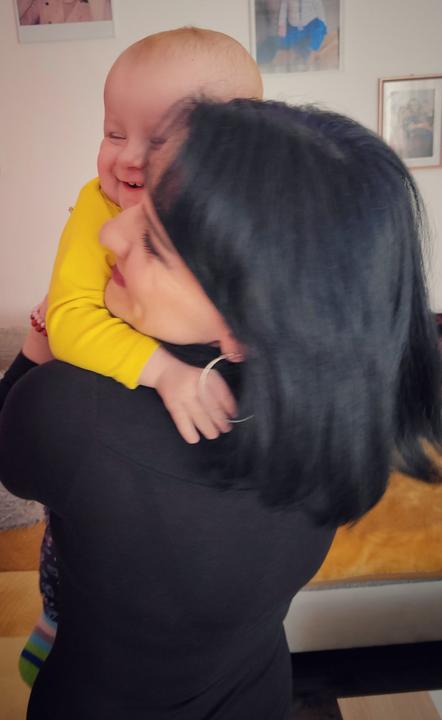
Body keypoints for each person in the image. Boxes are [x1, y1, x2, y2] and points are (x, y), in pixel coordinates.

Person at [1, 97, 441, 719]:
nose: (109, 232)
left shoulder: (72, 412)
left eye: (153, 242)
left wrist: (43, 336)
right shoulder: (337, 425)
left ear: (248, 326)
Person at [0, 27, 263, 687]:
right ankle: (55, 617)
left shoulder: (243, 225)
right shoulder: (97, 204)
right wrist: (162, 370)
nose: (126, 160)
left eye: (160, 140)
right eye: (113, 133)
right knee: (68, 548)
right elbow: (68, 320)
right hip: (102, 411)